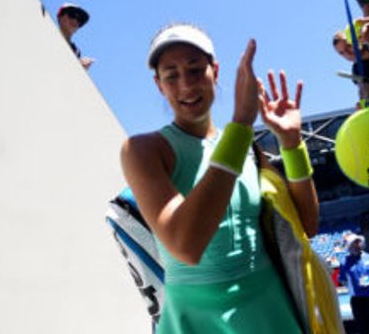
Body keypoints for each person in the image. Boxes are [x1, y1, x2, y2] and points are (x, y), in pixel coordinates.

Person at [120, 23, 320, 333]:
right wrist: (241, 125)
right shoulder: (142, 149)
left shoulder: (247, 148)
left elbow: (306, 224)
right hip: (194, 321)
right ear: (159, 84)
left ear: (216, 70)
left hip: (269, 310)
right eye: (171, 75)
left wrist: (292, 143)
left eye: (195, 70)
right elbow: (186, 245)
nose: (185, 85)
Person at [339, 234, 369, 334]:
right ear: (349, 246)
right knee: (363, 329)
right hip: (358, 301)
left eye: (358, 242)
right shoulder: (344, 262)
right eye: (353, 243)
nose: (357, 245)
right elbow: (343, 280)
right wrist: (353, 289)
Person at [57, 3, 94, 70]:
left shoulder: (76, 51)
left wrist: (80, 69)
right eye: (72, 15)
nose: (75, 21)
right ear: (60, 17)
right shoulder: (45, 35)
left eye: (80, 20)